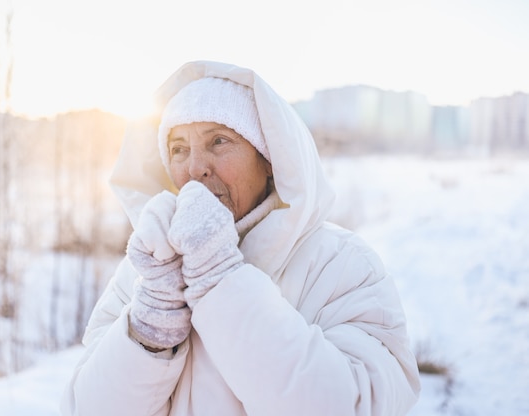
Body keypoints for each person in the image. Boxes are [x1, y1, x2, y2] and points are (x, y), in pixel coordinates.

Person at [60, 60, 420, 415]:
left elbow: (354, 406)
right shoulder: (145, 271)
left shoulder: (342, 265)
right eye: (178, 148)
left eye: (218, 141)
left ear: (268, 160)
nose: (195, 167)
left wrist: (221, 280)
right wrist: (148, 332)